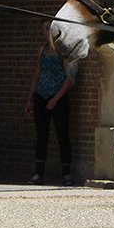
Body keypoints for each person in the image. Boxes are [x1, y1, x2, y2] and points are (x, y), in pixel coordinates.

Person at [24, 20, 78, 186]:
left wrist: (56, 99)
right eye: (43, 29)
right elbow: (37, 74)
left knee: (62, 135)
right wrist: (30, 98)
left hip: (58, 97)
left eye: (48, 29)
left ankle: (66, 175)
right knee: (41, 136)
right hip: (41, 95)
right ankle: (38, 173)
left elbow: (69, 78)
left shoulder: (64, 51)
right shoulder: (41, 50)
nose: (45, 32)